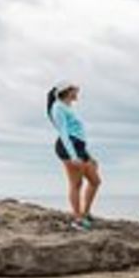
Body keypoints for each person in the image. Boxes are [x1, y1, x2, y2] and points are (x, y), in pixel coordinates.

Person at [46, 81, 101, 230]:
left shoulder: (67, 107)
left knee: (95, 181)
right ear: (67, 91)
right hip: (68, 148)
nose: (77, 93)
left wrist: (88, 155)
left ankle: (85, 212)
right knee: (76, 184)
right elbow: (64, 134)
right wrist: (73, 155)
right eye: (75, 90)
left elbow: (78, 134)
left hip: (79, 147)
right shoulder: (57, 107)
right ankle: (77, 219)